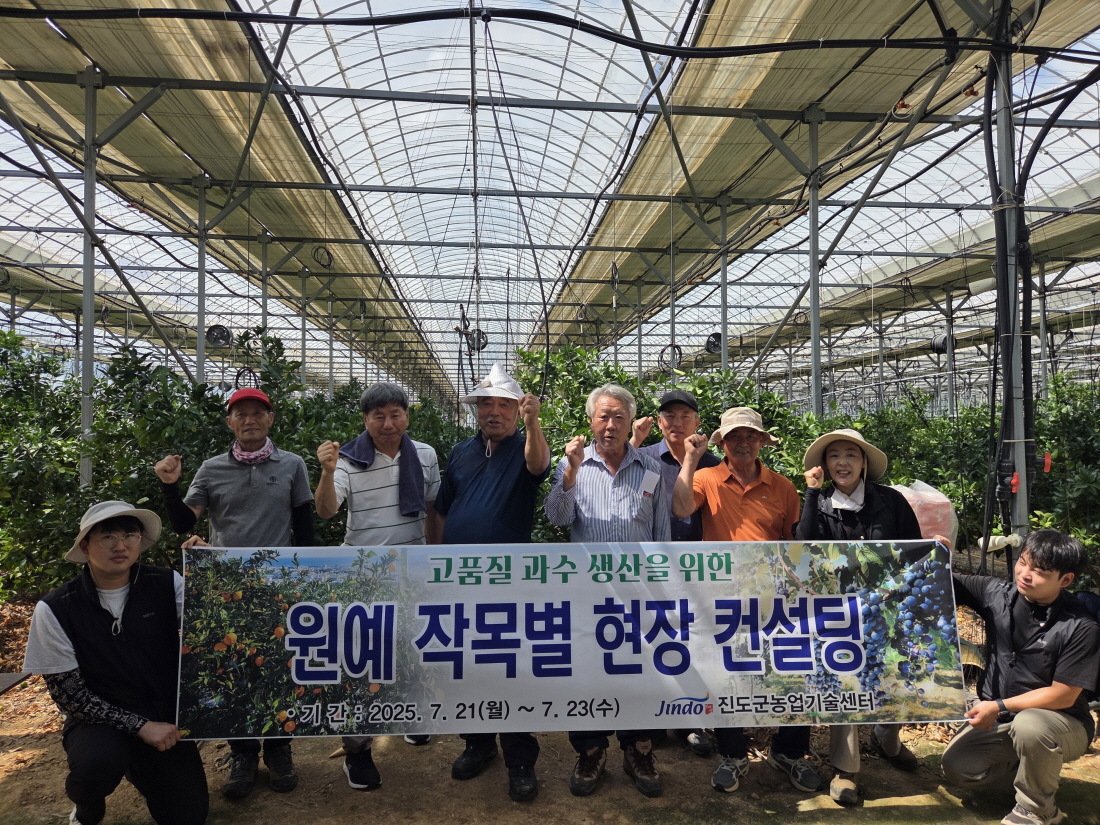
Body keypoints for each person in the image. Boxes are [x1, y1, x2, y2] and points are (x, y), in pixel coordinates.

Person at [154, 387, 314, 800]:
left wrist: (306, 575)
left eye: (258, 413)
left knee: (278, 665)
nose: (249, 420)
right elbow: (183, 522)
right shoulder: (211, 469)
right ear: (230, 422)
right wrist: (170, 486)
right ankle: (243, 753)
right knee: (234, 667)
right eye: (241, 414)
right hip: (226, 587)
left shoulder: (292, 465)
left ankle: (279, 749)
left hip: (277, 583)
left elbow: (304, 524)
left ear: (270, 419)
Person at [22, 501, 209, 825]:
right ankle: (87, 805)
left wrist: (211, 568)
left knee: (187, 816)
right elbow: (70, 697)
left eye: (129, 535)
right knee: (96, 764)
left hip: (161, 713)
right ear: (85, 546)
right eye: (108, 537)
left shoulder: (167, 584)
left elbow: (216, 625)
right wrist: (141, 727)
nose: (120, 546)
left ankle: (141, 767)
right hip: (97, 720)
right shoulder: (56, 609)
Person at [672, 407, 819, 795]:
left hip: (773, 598)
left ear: (761, 442)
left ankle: (789, 752)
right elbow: (682, 507)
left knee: (791, 670)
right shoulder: (706, 478)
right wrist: (689, 459)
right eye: (734, 436)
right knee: (727, 676)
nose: (743, 443)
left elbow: (794, 543)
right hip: (722, 597)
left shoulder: (782, 487)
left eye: (751, 436)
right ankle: (733, 754)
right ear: (722, 443)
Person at [431, 363, 551, 802]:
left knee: (511, 665)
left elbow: (539, 466)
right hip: (460, 581)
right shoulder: (460, 452)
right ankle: (477, 742)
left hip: (508, 582)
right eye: (486, 404)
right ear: (476, 410)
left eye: (504, 404)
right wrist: (435, 563)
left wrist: (534, 424)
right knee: (467, 662)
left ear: (517, 411)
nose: (494, 412)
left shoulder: (525, 447)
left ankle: (520, 758)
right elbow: (441, 509)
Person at [545, 383, 670, 798]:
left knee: (641, 670)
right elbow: (557, 518)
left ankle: (638, 750)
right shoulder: (575, 466)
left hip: (639, 592)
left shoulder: (650, 470)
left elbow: (661, 534)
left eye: (619, 417)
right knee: (588, 670)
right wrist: (570, 472)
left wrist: (663, 588)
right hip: (588, 594)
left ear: (631, 422)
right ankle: (590, 750)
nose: (611, 425)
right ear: (591, 421)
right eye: (604, 416)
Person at [314, 381, 441, 790]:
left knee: (413, 650)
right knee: (361, 662)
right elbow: (326, 510)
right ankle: (358, 750)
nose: (388, 424)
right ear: (365, 420)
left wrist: (433, 560)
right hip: (363, 575)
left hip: (411, 571)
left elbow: (433, 510)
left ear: (407, 416)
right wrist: (327, 472)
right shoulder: (348, 459)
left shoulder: (425, 455)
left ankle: (410, 716)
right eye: (378, 416)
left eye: (395, 414)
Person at [795, 429, 924, 805]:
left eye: (851, 454)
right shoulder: (821, 503)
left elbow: (913, 548)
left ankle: (887, 737)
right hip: (841, 609)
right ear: (825, 464)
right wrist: (811, 494)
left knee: (898, 671)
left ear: (864, 462)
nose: (842, 462)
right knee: (847, 676)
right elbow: (803, 547)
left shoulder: (890, 501)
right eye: (834, 455)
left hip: (889, 604)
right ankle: (846, 768)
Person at [942, 530, 1099, 825]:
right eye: (1023, 562)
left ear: (1065, 580)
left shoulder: (1080, 626)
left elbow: (1063, 695)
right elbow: (942, 582)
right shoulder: (996, 593)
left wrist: (998, 705)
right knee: (958, 767)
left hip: (1062, 722)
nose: (1025, 574)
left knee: (1031, 725)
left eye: (1039, 571)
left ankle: (1037, 809)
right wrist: (937, 555)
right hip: (1004, 719)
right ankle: (1032, 774)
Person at [630, 388, 721, 757]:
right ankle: (653, 718)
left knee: (692, 642)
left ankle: (691, 721)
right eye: (670, 416)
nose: (677, 423)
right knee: (654, 639)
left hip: (698, 569)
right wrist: (634, 441)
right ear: (659, 422)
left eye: (685, 416)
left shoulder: (712, 463)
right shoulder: (645, 458)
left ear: (697, 422)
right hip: (652, 565)